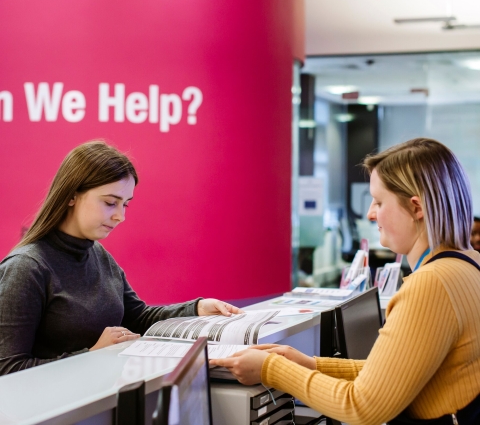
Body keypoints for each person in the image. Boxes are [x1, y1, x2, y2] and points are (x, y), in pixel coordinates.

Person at [211, 138, 480, 425]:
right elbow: (395, 373)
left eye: (378, 201)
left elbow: (363, 407)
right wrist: (309, 364)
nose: (370, 213)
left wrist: (271, 369)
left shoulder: (431, 284)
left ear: (416, 208)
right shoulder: (469, 262)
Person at [0, 140, 241, 376]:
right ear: (71, 196)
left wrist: (197, 308)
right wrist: (91, 355)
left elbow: (138, 318)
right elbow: (7, 368)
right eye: (110, 203)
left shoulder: (98, 254)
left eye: (125, 205)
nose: (119, 216)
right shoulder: (26, 268)